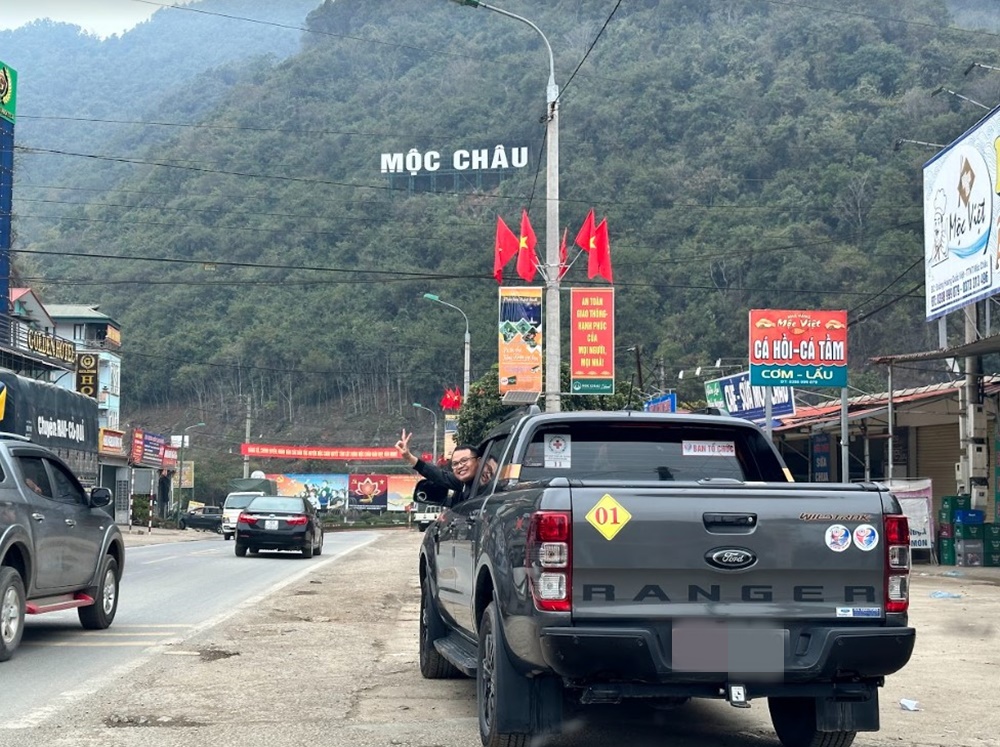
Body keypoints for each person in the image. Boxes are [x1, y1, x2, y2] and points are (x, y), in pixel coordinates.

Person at [395, 429, 480, 505]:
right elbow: (438, 475)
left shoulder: (485, 482)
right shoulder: (462, 483)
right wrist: (409, 457)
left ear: (479, 461)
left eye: (464, 460)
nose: (460, 466)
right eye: (455, 464)